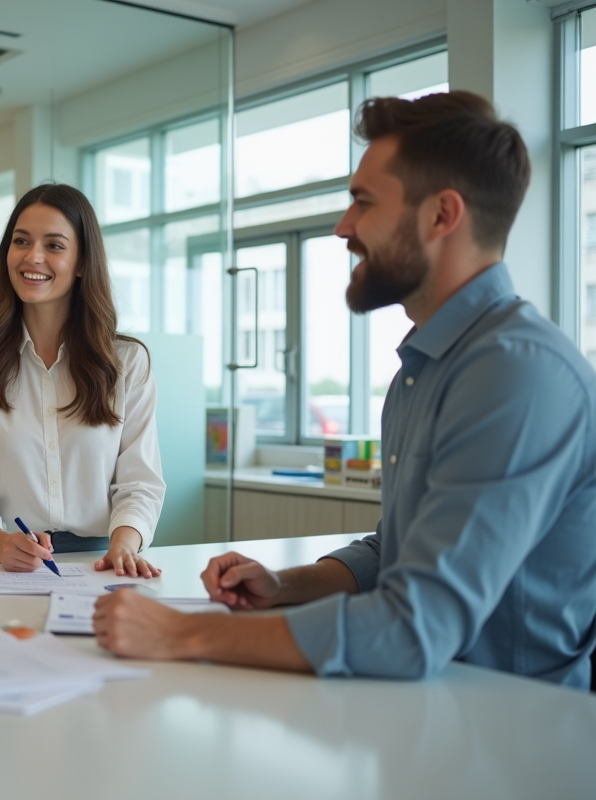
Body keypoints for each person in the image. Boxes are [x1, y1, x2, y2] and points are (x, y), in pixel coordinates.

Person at [93, 90, 596, 689]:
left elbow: (414, 628)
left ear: (442, 215)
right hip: (430, 708)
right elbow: (400, 549)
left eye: (363, 202)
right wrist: (287, 585)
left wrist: (181, 633)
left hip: (517, 730)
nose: (343, 227)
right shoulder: (427, 364)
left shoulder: (517, 374)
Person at [0, 184, 166, 577]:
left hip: (103, 559)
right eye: (21, 241)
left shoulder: (127, 363)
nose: (33, 257)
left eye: (55, 245)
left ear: (82, 261)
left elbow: (140, 483)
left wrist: (124, 547)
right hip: (6, 560)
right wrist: (1, 545)